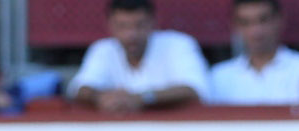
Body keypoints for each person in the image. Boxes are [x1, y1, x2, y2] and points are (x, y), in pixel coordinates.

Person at [67, 0, 210, 112]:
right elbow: (78, 89)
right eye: (122, 26)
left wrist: (142, 98)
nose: (131, 34)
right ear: (110, 25)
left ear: (153, 22)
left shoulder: (178, 44)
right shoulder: (102, 49)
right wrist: (101, 98)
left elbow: (194, 90)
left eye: (139, 25)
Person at [207, 0, 299, 106]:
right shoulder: (218, 77)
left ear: (279, 20)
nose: (256, 31)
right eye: (245, 23)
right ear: (235, 26)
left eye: (263, 20)